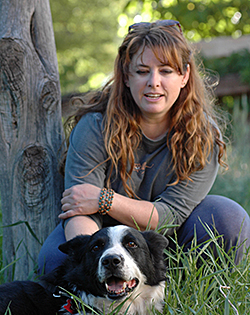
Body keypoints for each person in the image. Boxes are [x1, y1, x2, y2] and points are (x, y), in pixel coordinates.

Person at [38, 20, 250, 274]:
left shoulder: (203, 136)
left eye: (166, 71)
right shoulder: (95, 126)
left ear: (184, 76)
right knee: (55, 261)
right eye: (141, 71)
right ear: (126, 76)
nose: (153, 82)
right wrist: (95, 266)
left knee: (227, 216)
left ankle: (182, 293)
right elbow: (79, 208)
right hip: (105, 246)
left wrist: (103, 199)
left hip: (169, 244)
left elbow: (169, 217)